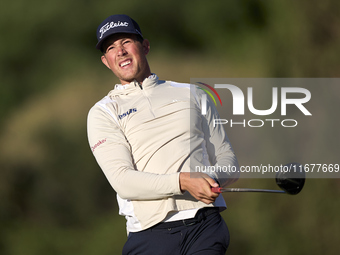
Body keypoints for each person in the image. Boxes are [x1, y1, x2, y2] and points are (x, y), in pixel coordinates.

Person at [87, 14, 240, 255]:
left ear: (145, 46)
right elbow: (123, 181)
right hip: (149, 235)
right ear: (106, 61)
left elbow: (229, 161)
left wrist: (211, 179)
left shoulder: (194, 94)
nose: (121, 52)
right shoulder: (104, 112)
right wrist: (183, 181)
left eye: (126, 42)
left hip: (204, 225)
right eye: (112, 48)